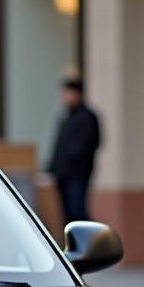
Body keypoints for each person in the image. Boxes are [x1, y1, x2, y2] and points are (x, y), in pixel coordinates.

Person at [47, 78, 101, 225]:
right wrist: (51, 168)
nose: (64, 96)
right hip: (62, 174)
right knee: (67, 214)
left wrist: (72, 160)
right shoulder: (66, 116)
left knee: (77, 212)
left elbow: (89, 144)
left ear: (77, 93)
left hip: (78, 174)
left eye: (66, 92)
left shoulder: (88, 117)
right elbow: (58, 145)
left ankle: (90, 243)